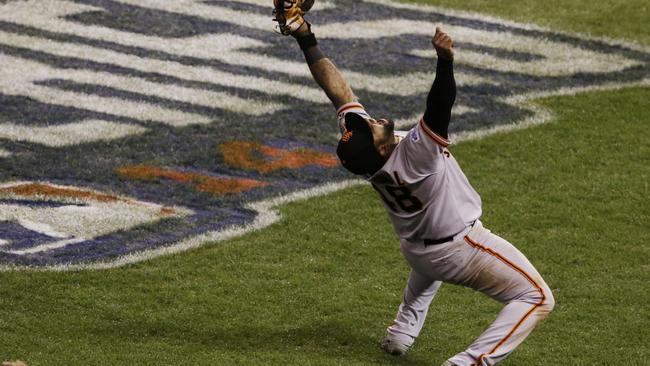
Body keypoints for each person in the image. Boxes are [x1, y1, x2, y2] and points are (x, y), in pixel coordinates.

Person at [272, 1, 555, 365]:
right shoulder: (415, 157)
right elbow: (440, 105)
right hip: (460, 249)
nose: (372, 121)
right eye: (372, 129)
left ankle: (399, 337)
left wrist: (306, 38)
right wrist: (445, 60)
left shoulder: (372, 154)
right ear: (383, 148)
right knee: (537, 298)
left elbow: (338, 92)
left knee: (425, 272)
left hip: (418, 250)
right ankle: (469, 362)